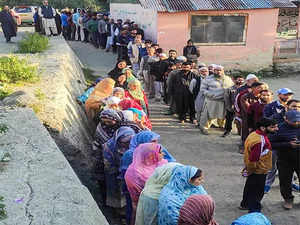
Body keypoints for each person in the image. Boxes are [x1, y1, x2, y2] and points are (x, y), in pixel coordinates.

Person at [121, 131, 175, 225]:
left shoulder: (158, 157)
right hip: (136, 196)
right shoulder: (133, 166)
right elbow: (126, 176)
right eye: (152, 141)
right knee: (136, 213)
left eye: (155, 141)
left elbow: (171, 165)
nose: (155, 144)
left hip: (154, 199)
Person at [240, 118, 278, 212]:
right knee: (257, 190)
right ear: (263, 128)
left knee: (249, 187)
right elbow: (254, 159)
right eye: (272, 127)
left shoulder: (254, 134)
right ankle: (254, 209)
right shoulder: (260, 141)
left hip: (253, 168)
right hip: (258, 170)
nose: (276, 129)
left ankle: (245, 204)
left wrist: (248, 169)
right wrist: (251, 170)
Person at [125, 143, 168, 225]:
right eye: (160, 152)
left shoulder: (160, 163)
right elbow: (137, 195)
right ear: (151, 155)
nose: (164, 154)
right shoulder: (134, 173)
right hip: (142, 203)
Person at [269, 110, 300, 209]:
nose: (296, 123)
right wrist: (288, 144)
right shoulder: (278, 129)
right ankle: (288, 199)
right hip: (284, 159)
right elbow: (270, 144)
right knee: (285, 181)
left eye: (298, 121)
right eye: (293, 121)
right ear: (286, 119)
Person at [103, 126, 136, 208]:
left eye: (128, 142)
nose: (126, 145)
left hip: (128, 173)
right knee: (114, 188)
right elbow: (108, 164)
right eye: (124, 143)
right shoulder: (108, 147)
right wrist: (120, 172)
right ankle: (115, 208)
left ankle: (125, 207)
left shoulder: (134, 146)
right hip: (113, 172)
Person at [199, 65, 234, 135]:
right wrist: (212, 95)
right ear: (214, 71)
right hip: (211, 100)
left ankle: (221, 125)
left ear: (223, 71)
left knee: (223, 115)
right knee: (207, 115)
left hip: (223, 101)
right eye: (217, 70)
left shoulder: (228, 79)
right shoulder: (208, 79)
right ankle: (204, 128)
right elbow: (202, 90)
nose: (218, 72)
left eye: (220, 70)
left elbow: (232, 88)